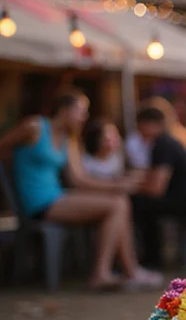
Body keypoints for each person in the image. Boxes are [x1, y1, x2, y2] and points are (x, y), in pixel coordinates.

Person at [0, 89, 160, 291]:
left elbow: (79, 180)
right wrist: (11, 174)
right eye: (81, 110)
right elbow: (3, 146)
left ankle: (126, 271)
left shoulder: (68, 140)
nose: (84, 116)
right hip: (37, 202)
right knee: (118, 204)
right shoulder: (34, 126)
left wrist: (118, 185)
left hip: (57, 197)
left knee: (119, 201)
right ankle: (108, 273)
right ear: (64, 110)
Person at [131, 105, 186, 268]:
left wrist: (131, 186)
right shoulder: (172, 140)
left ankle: (151, 259)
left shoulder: (162, 144)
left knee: (138, 204)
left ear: (150, 124)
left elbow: (156, 188)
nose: (139, 133)